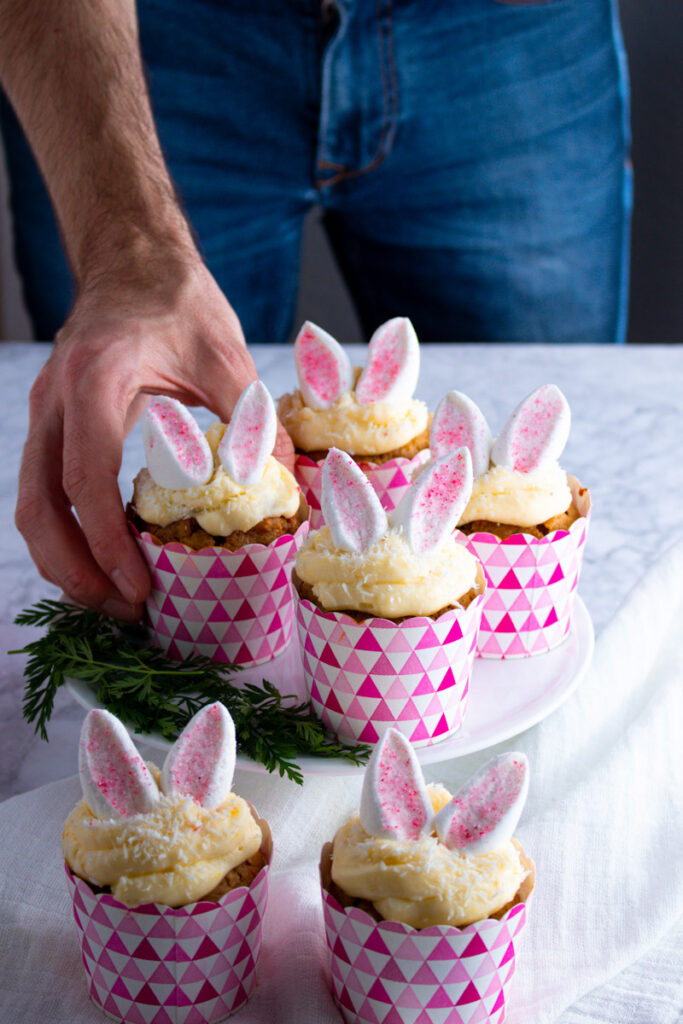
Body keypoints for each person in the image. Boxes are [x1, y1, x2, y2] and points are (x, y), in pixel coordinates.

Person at [2, 0, 631, 620]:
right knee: (115, 414)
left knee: (549, 387)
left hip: (502, 33)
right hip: (138, 39)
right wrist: (130, 249)